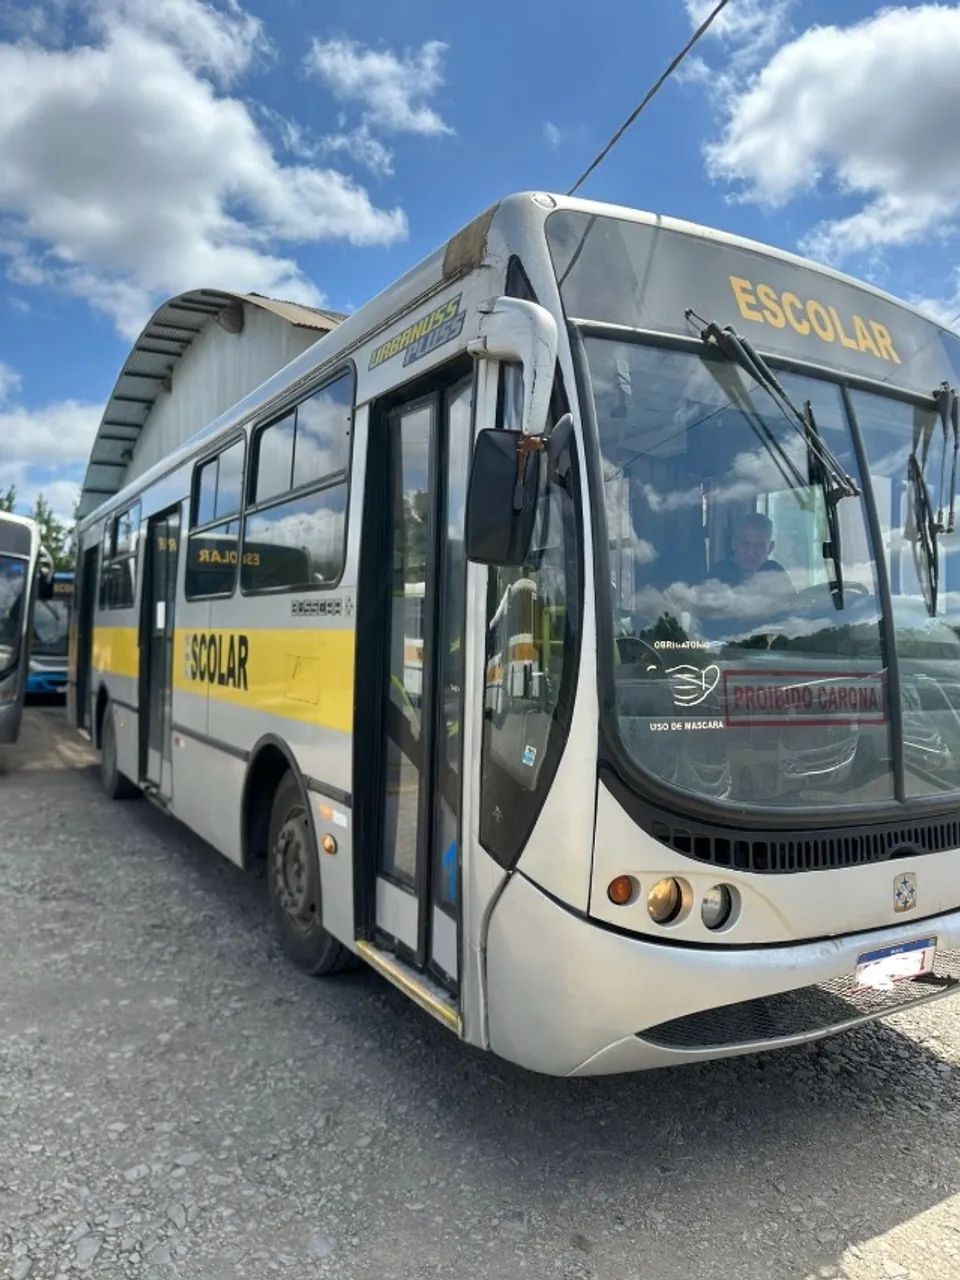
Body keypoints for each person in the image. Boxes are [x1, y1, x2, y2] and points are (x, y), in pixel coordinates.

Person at [711, 512, 793, 589]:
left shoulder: (776, 573)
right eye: (744, 544)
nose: (751, 552)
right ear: (734, 544)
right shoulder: (718, 575)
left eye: (759, 546)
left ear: (770, 548)